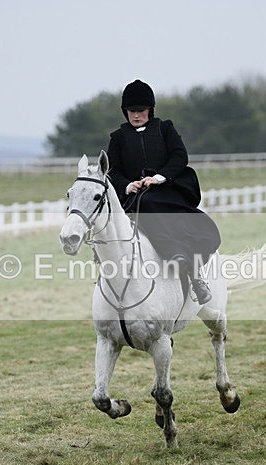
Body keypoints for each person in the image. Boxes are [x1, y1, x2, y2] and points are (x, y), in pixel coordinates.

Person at [106, 79, 221, 304]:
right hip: (136, 197)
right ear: (125, 111)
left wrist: (158, 178)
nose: (136, 115)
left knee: (197, 224)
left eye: (141, 110)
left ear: (150, 110)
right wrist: (128, 185)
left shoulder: (165, 128)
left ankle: (194, 275)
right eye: (132, 111)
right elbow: (113, 170)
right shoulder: (117, 138)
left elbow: (180, 156)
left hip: (168, 190)